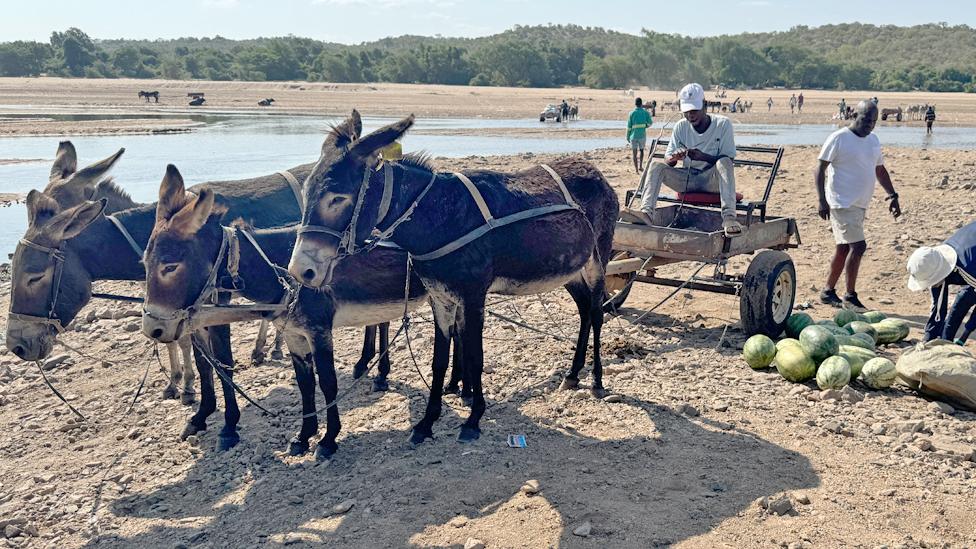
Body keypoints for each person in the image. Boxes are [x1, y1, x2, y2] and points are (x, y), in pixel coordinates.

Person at [815, 100, 902, 310]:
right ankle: (850, 295)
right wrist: (821, 200)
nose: (869, 125)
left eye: (873, 121)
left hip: (859, 203)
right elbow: (820, 168)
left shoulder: (873, 140)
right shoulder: (839, 138)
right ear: (855, 115)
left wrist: (892, 195)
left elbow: (879, 170)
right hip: (841, 202)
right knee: (859, 246)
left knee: (844, 248)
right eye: (865, 120)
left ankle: (828, 291)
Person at [631, 83, 742, 237]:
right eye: (687, 111)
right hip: (688, 179)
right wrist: (675, 157)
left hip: (712, 180)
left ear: (705, 106)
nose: (691, 115)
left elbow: (728, 159)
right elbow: (668, 160)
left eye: (694, 110)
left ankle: (729, 218)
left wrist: (702, 156)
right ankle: (646, 213)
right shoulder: (680, 126)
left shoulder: (722, 124)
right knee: (657, 165)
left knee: (724, 162)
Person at [907, 221, 976, 344]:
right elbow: (938, 306)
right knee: (964, 297)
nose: (930, 285)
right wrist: (928, 339)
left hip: (973, 265)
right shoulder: (935, 260)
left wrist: (965, 335)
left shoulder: (968, 269)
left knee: (967, 296)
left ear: (940, 274)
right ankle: (946, 339)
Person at [626, 97, 653, 173]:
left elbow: (629, 126)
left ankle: (636, 170)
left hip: (633, 136)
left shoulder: (631, 113)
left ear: (635, 104)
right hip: (642, 135)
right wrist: (645, 126)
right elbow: (650, 123)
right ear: (641, 104)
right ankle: (641, 166)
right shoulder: (645, 113)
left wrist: (627, 136)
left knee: (634, 153)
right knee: (641, 151)